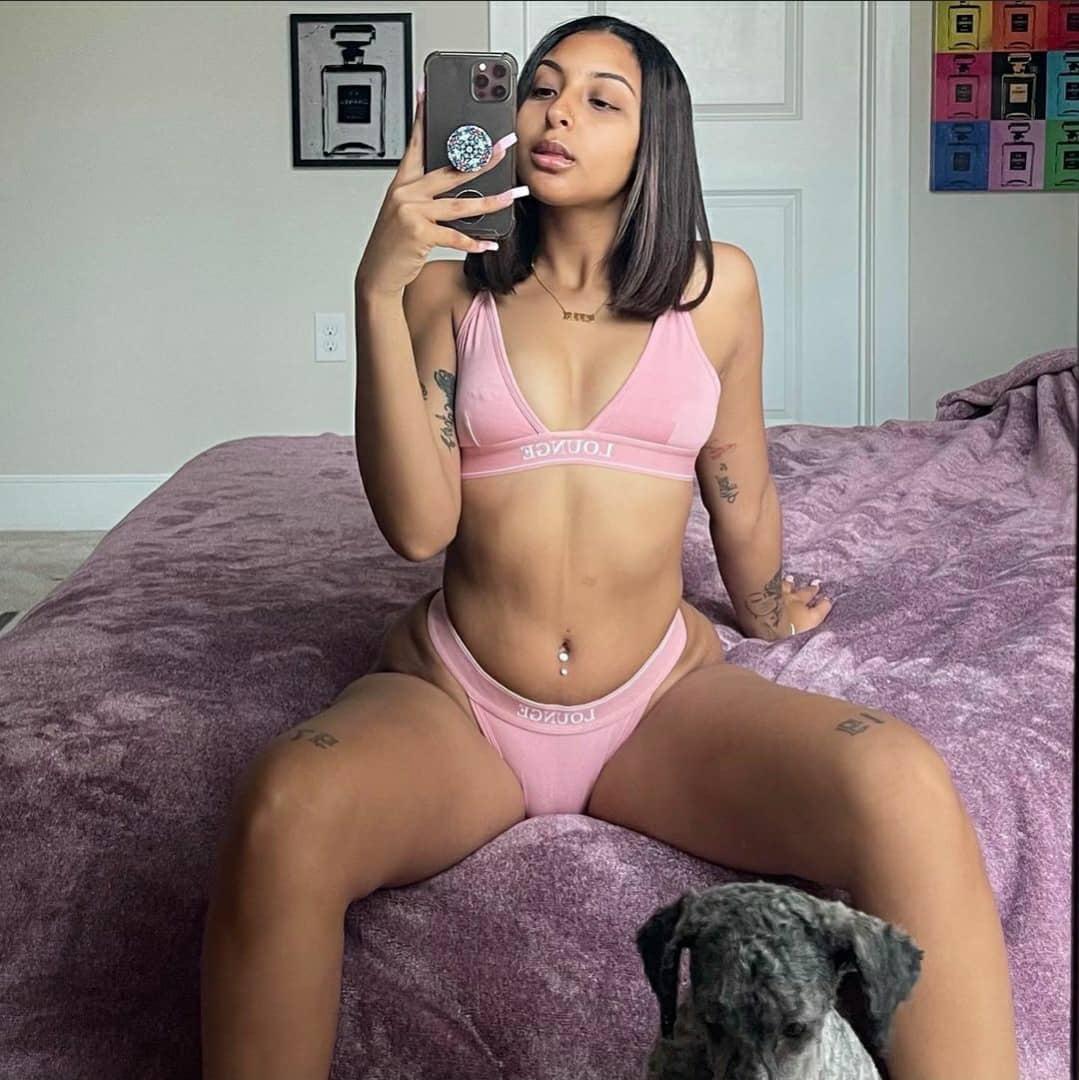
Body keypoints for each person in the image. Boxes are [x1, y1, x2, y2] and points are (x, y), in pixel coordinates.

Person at [200, 15, 1020, 1080]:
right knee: (285, 803)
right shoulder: (448, 290)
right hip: (460, 705)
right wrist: (375, 288)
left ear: (653, 139)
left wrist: (765, 605)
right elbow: (417, 528)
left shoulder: (715, 288)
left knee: (899, 778)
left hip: (655, 707)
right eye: (540, 88)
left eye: (600, 100)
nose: (556, 115)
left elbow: (738, 476)